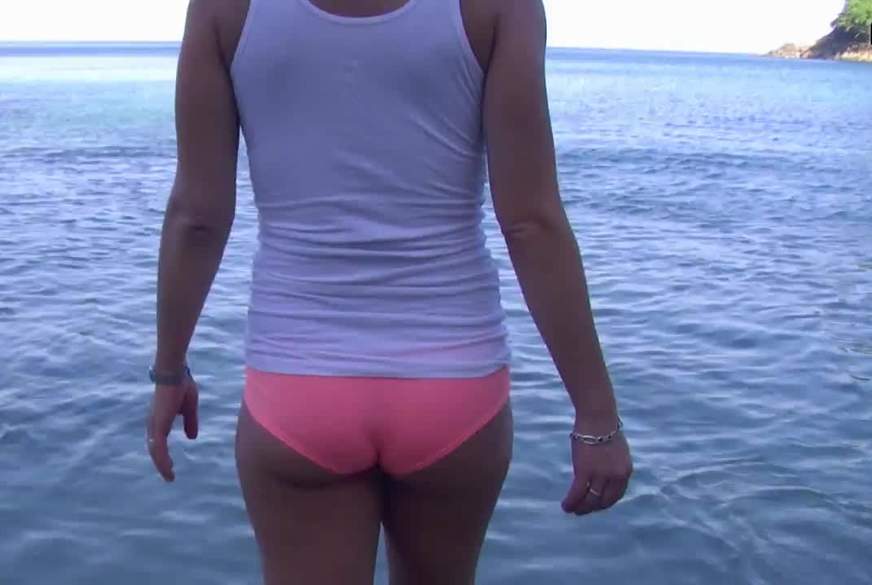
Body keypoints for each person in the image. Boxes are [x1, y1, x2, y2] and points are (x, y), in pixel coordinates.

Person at [146, 0, 633, 583]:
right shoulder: (505, 8)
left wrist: (169, 372)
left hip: (299, 384)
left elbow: (197, 217)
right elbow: (532, 222)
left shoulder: (223, 9)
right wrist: (596, 414)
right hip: (454, 388)